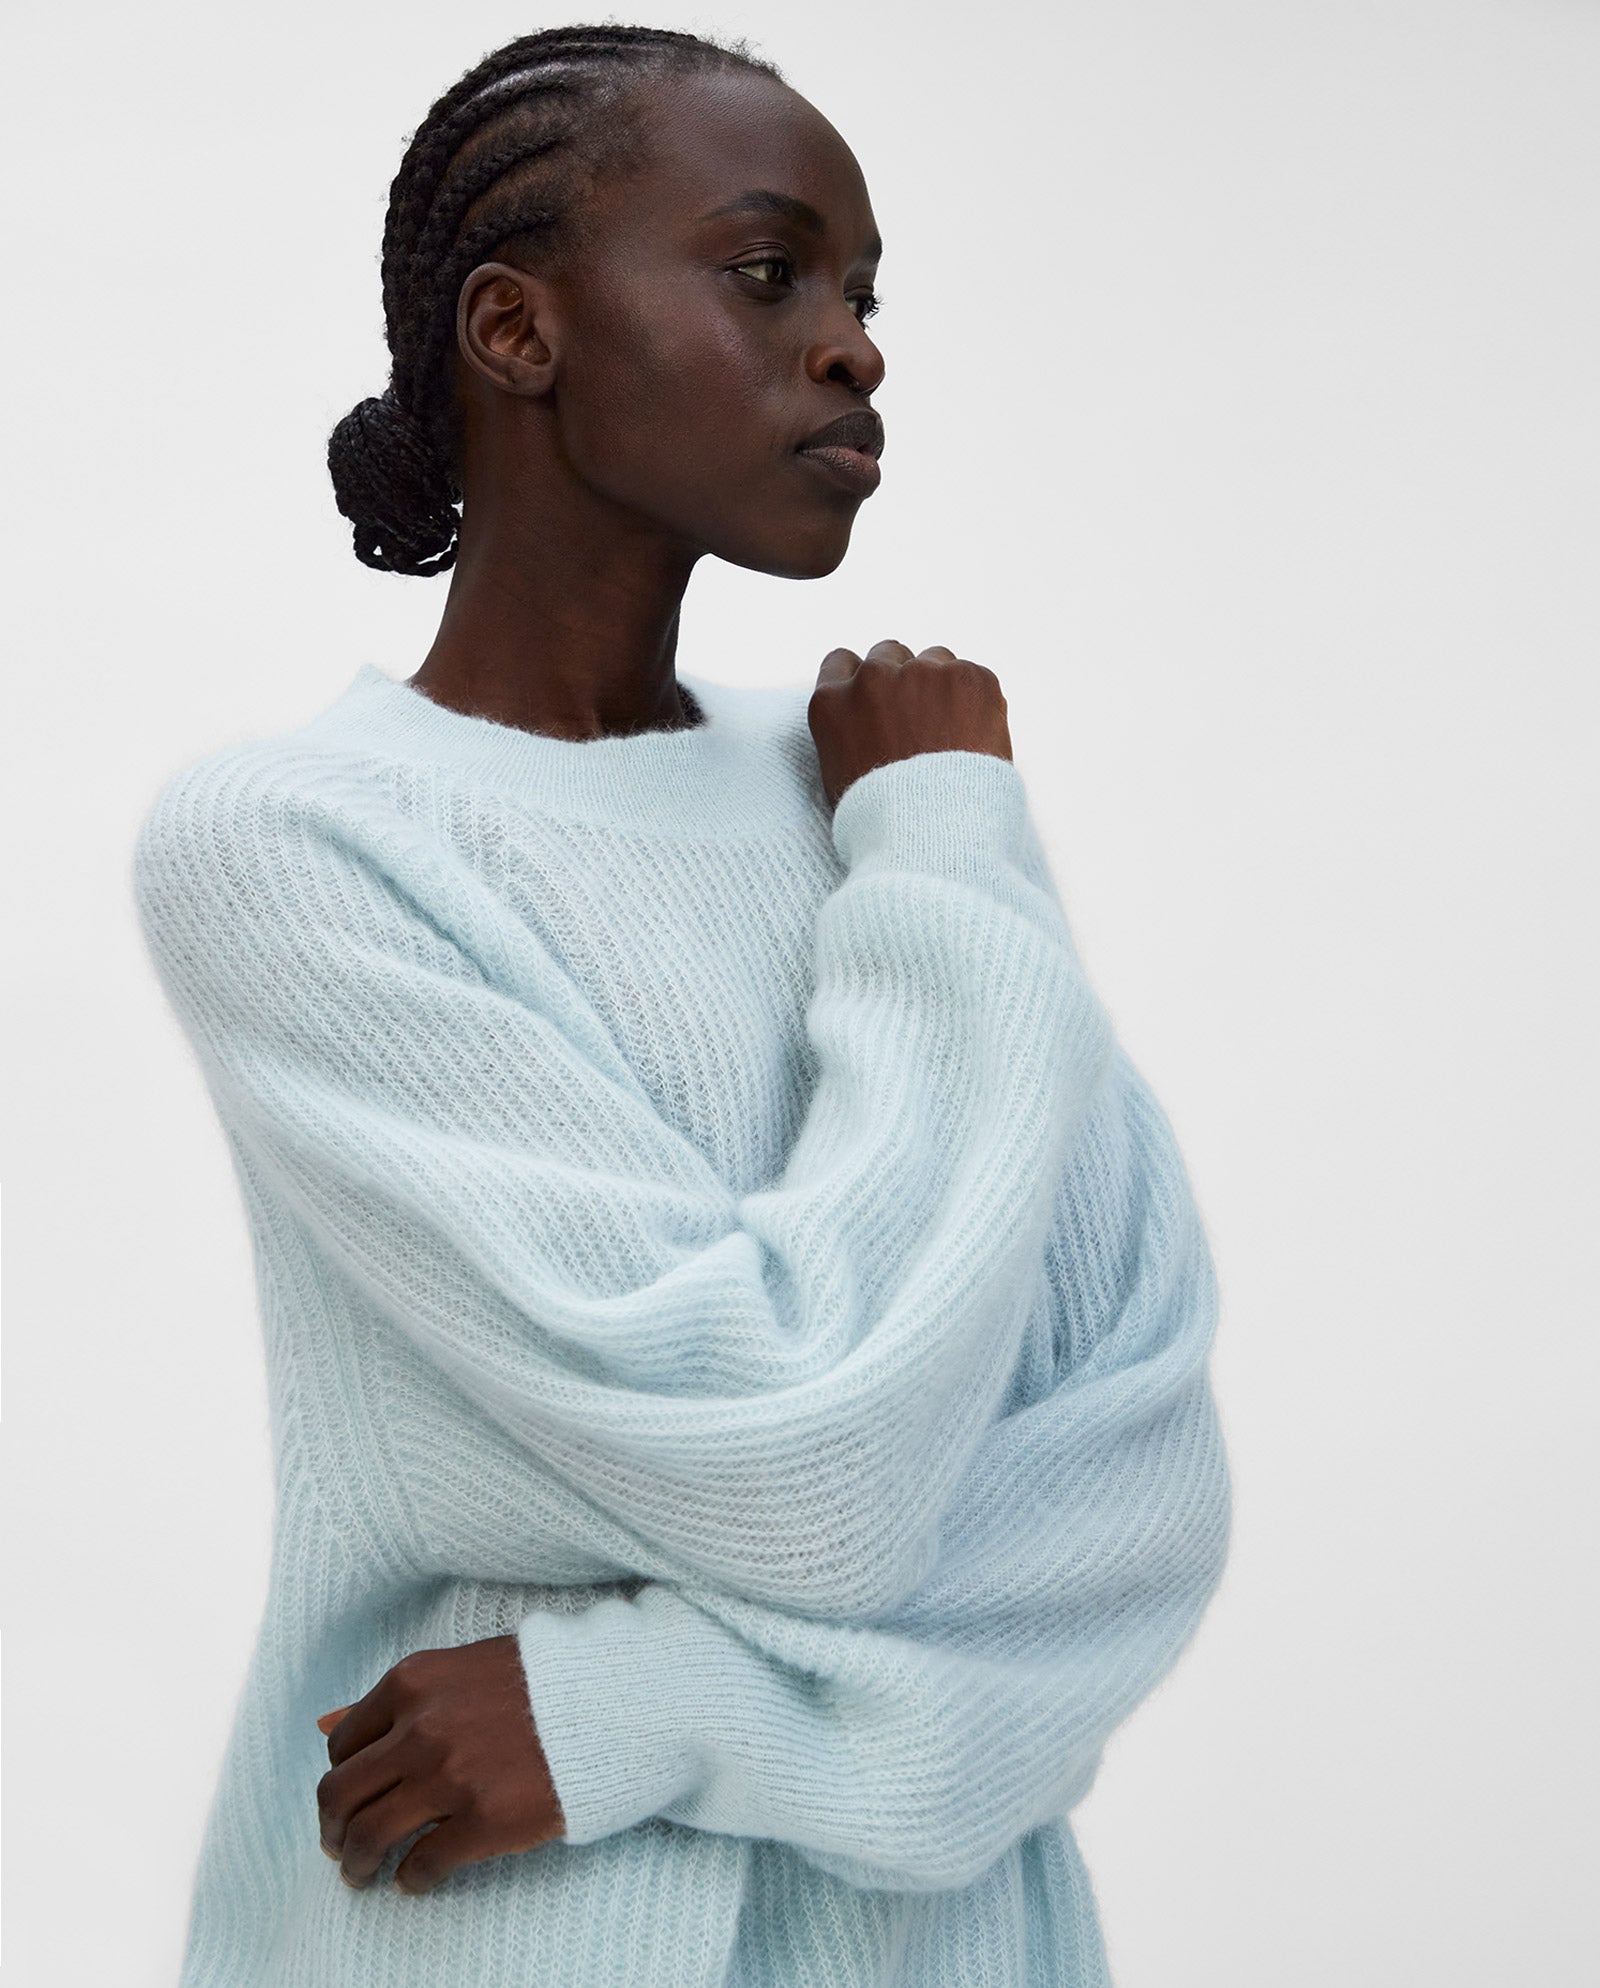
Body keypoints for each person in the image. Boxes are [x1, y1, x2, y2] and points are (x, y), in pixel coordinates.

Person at [132, 23, 1231, 1987]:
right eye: (764, 271)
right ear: (514, 328)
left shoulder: (902, 817)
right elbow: (803, 1461)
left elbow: (1134, 1481)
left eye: (861, 294)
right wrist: (941, 851)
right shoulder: (303, 844)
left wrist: (638, 1705)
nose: (852, 345)